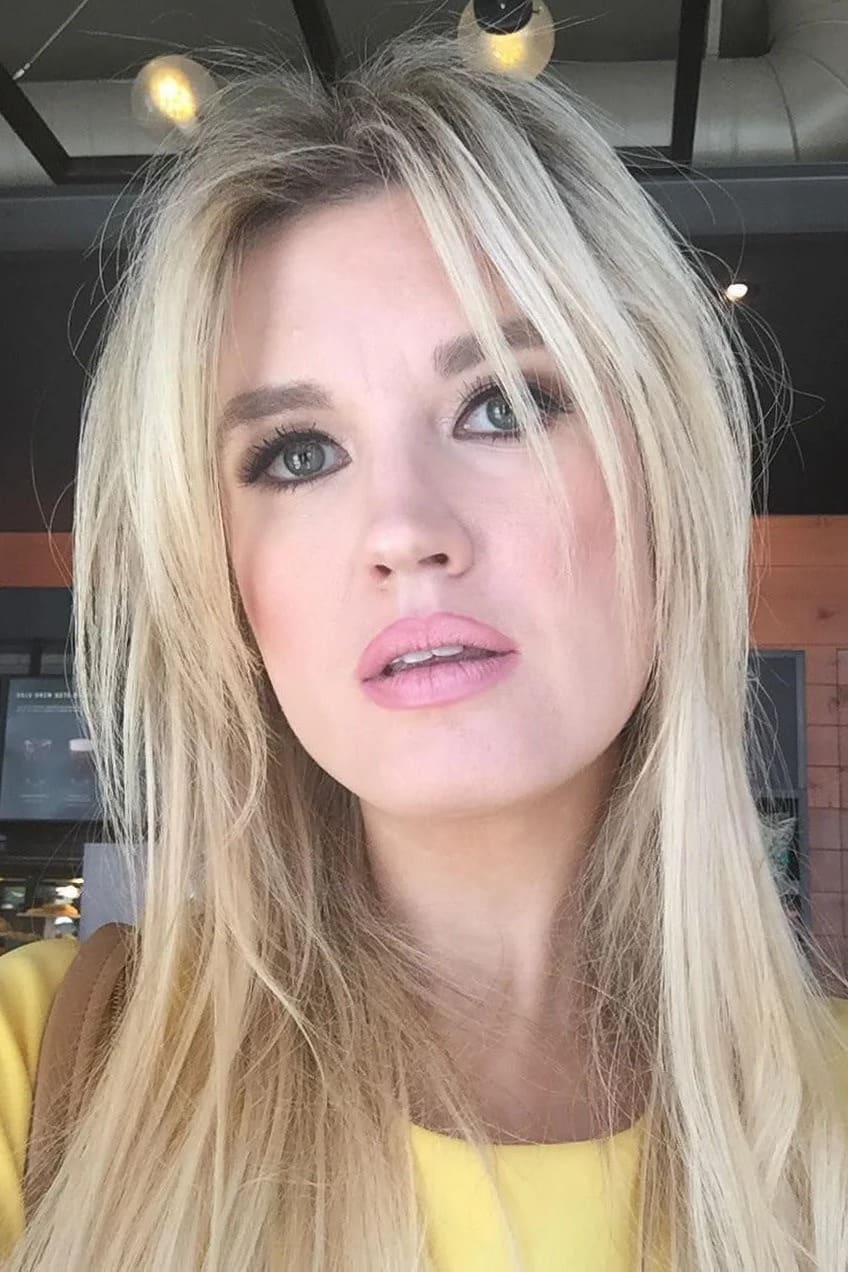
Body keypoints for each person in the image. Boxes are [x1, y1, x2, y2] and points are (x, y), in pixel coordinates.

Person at [1, 31, 847, 1272]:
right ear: (223, 582)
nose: (403, 530)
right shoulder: (39, 1070)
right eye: (296, 455)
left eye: (501, 405)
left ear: (665, 479)